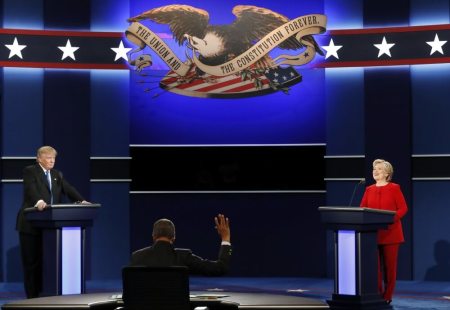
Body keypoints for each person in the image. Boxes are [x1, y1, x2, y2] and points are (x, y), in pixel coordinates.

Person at [16, 146, 90, 298]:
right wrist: (39, 200)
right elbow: (30, 189)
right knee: (32, 264)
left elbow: (68, 189)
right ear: (39, 159)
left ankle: (46, 295)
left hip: (50, 227)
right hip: (30, 224)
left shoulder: (57, 174)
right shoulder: (30, 171)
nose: (51, 161)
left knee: (47, 264)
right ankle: (32, 298)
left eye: (53, 158)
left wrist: (81, 200)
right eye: (48, 158)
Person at [359, 159, 408, 304]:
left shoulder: (394, 188)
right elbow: (362, 209)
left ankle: (387, 295)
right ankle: (377, 294)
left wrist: (391, 219)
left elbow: (403, 208)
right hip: (372, 234)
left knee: (389, 267)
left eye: (379, 169)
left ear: (387, 173)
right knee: (375, 268)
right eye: (374, 169)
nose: (375, 171)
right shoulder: (369, 189)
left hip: (391, 233)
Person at [130, 214, 232, 276]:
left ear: (153, 236)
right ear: (174, 238)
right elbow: (221, 268)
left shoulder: (137, 257)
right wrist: (226, 240)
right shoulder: (184, 257)